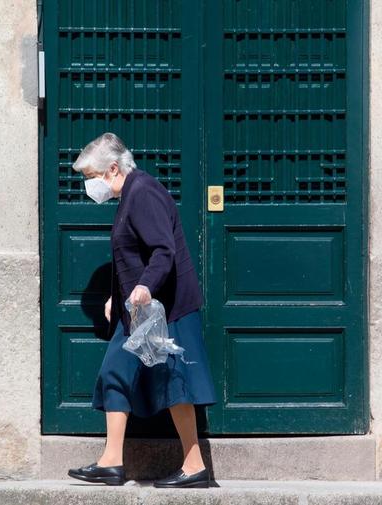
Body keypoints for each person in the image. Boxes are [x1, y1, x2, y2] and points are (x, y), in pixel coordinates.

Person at [66, 132, 218, 488]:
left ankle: (194, 466)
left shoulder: (143, 192)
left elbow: (162, 250)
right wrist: (115, 295)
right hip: (137, 310)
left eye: (91, 177)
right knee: (116, 373)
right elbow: (131, 255)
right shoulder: (129, 195)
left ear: (113, 169)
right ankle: (112, 461)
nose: (89, 186)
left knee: (175, 383)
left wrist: (145, 286)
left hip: (166, 308)